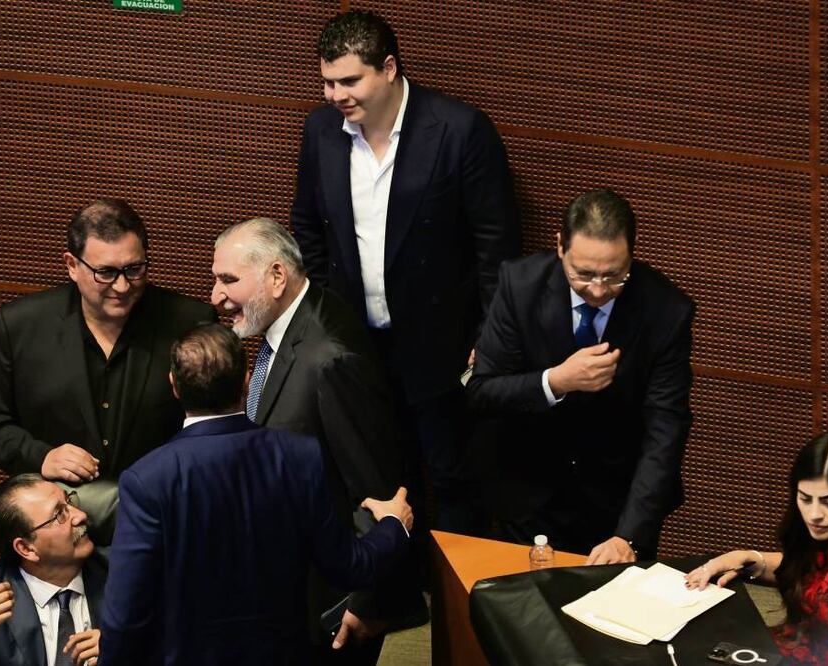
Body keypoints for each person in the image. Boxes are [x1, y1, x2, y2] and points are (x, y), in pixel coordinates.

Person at [291, 10, 521, 534]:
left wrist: (489, 339)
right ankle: (393, 596)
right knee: (377, 477)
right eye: (327, 82)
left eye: (350, 80)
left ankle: (457, 605)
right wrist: (326, 312)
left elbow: (497, 250)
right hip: (355, 343)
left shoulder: (460, 130)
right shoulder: (321, 130)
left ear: (389, 68)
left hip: (444, 344)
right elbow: (308, 226)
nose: (335, 95)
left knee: (451, 476)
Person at [98, 323, 413, 665]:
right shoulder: (299, 457)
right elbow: (348, 567)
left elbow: (124, 615)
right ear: (247, 380)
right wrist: (395, 525)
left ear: (173, 386)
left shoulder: (146, 480)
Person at [211, 218, 420, 664]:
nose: (216, 296)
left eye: (228, 280)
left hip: (331, 602)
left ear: (276, 276)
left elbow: (379, 488)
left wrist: (369, 601)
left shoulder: (330, 359)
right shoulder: (291, 325)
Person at [467, 189, 694, 563]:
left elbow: (665, 430)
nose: (599, 290)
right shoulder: (519, 286)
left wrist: (629, 535)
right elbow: (481, 391)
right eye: (584, 274)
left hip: (617, 501)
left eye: (614, 275)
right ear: (560, 247)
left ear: (632, 254)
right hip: (528, 492)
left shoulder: (666, 311)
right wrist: (555, 381)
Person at [0, 199, 215, 542]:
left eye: (135, 269)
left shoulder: (190, 322)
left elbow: (213, 426)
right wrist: (42, 456)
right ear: (71, 264)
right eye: (106, 273)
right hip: (57, 529)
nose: (123, 286)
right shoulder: (20, 325)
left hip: (161, 521)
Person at [686, 432, 828, 664]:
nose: (815, 514)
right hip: (795, 648)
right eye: (805, 498)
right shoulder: (827, 535)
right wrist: (749, 559)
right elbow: (810, 572)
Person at [0, 474, 106, 666]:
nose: (80, 515)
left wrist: (127, 649)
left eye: (69, 501)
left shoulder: (122, 572)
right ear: (27, 549)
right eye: (59, 514)